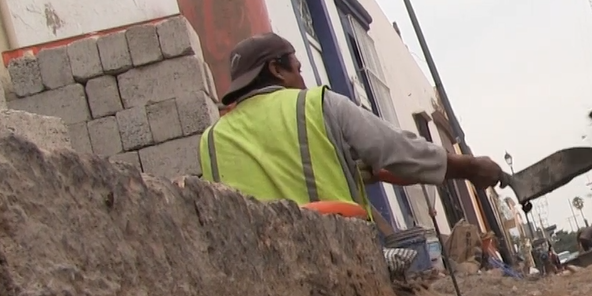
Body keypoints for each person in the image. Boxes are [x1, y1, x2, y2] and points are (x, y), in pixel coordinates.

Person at [199, 33, 502, 214]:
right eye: (298, 70)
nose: (302, 79)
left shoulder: (213, 139)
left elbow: (278, 174)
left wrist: (368, 171)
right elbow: (397, 150)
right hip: (337, 256)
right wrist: (470, 168)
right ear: (276, 69)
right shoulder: (316, 104)